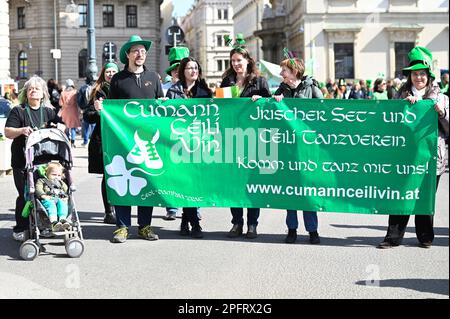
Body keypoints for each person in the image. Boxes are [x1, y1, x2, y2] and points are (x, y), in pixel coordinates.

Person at [378, 46, 449, 249]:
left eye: (422, 74)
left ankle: (425, 237)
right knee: (401, 195)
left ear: (428, 76)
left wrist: (442, 113)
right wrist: (405, 108)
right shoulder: (400, 98)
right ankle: (393, 238)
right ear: (410, 76)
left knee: (425, 197)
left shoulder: (441, 98)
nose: (419, 77)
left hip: (430, 158)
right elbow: (389, 124)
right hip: (404, 157)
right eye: (415, 74)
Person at [108, 35, 164, 243]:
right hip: (124, 139)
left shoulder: (153, 77)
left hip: (149, 140)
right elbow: (111, 110)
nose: (140, 54)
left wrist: (164, 103)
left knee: (146, 180)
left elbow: (160, 104)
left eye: (143, 51)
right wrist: (101, 107)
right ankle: (122, 226)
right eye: (136, 51)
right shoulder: (118, 79)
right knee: (124, 178)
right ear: (128, 55)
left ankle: (145, 226)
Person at [220, 38, 271, 239]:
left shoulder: (259, 81)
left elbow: (271, 107)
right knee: (235, 182)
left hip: (254, 139)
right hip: (232, 137)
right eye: (233, 60)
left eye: (239, 60)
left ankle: (252, 224)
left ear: (248, 61)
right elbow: (222, 108)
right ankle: (236, 223)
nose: (236, 64)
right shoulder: (227, 81)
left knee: (252, 182)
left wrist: (262, 100)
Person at [270, 57, 323, 244]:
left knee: (308, 190)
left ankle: (313, 230)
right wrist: (275, 102)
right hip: (288, 149)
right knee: (290, 190)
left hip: (307, 148)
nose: (281, 74)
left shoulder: (311, 87)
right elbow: (272, 113)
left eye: (284, 70)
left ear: (294, 71)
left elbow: (324, 112)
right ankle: (292, 229)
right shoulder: (281, 89)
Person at [4, 75, 62, 241]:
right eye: (30, 89)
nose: (33, 91)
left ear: (43, 93)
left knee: (47, 194)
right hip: (22, 162)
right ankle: (21, 227)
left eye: (36, 88)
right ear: (26, 93)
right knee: (26, 195)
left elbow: (62, 125)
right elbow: (8, 131)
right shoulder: (19, 110)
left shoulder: (49, 112)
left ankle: (45, 224)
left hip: (44, 163)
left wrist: (58, 126)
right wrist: (21, 130)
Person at [166, 57, 212, 238]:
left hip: (198, 143)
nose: (193, 71)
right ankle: (194, 224)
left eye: (196, 68)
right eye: (190, 68)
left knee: (193, 184)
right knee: (185, 184)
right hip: (178, 143)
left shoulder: (205, 91)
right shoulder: (173, 91)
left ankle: (188, 222)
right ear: (183, 71)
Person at [84, 62, 119, 225]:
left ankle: (121, 209)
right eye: (108, 71)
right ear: (103, 74)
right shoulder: (97, 91)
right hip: (104, 138)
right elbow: (88, 116)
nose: (111, 74)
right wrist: (98, 112)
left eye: (114, 71)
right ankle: (109, 211)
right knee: (107, 176)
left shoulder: (123, 89)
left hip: (122, 139)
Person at [162, 46, 190, 221]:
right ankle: (172, 207)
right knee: (170, 174)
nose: (177, 73)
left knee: (190, 174)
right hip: (168, 137)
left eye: (181, 70)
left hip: (190, 137)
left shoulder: (195, 89)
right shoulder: (164, 88)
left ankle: (192, 208)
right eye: (175, 70)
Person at [35, 162, 70, 232]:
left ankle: (62, 220)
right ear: (46, 173)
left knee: (63, 205)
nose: (56, 177)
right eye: (54, 174)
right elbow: (38, 188)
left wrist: (66, 195)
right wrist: (43, 195)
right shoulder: (42, 181)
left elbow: (65, 189)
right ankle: (53, 222)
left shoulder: (61, 183)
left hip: (59, 198)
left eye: (59, 175)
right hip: (48, 199)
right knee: (51, 206)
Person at [59, 79, 81, 147]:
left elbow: (60, 103)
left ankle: (68, 140)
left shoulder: (63, 93)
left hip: (66, 111)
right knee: (73, 127)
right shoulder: (75, 92)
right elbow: (78, 102)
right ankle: (73, 141)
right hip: (74, 111)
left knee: (67, 127)